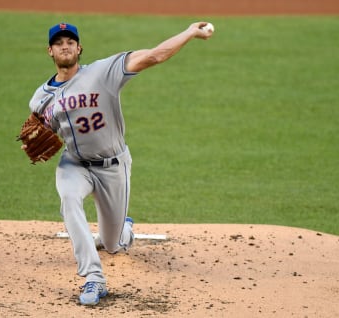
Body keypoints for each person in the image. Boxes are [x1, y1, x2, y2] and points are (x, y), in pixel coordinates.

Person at [28, 21, 213, 306]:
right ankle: (93, 278)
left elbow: (155, 55)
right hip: (73, 165)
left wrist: (189, 32)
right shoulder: (40, 99)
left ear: (79, 48)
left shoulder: (104, 72)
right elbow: (43, 132)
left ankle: (122, 230)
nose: (64, 46)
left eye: (70, 41)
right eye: (58, 43)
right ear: (50, 51)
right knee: (69, 200)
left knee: (113, 244)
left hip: (113, 167)